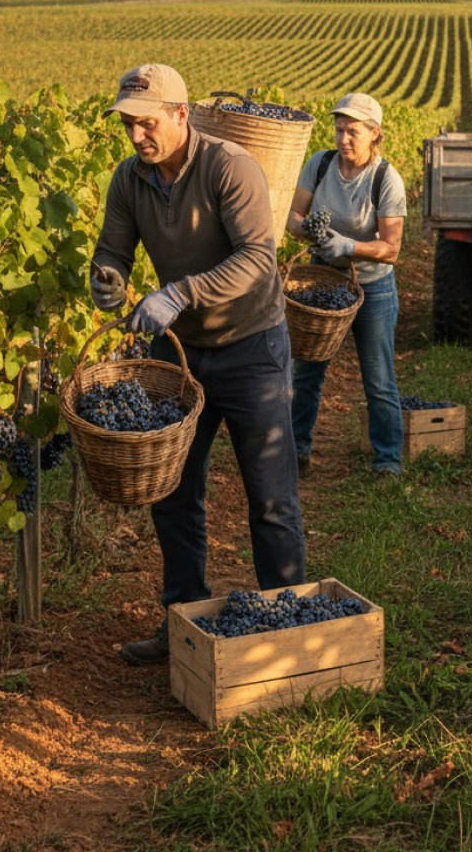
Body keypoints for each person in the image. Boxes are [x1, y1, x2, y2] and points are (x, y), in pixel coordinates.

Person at [90, 63, 305, 666]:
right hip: (178, 357)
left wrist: (179, 293)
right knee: (173, 492)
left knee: (270, 496)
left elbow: (259, 259)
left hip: (251, 347)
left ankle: (288, 631)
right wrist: (108, 282)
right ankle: (181, 620)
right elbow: (112, 252)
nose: (136, 136)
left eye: (147, 122)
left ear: (181, 115)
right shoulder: (128, 180)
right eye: (128, 125)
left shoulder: (227, 167)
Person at [286, 92, 407, 479]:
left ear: (375, 134)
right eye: (339, 130)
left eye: (352, 131)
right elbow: (292, 217)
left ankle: (388, 459)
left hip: (372, 289)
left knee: (378, 378)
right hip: (323, 279)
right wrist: (310, 232)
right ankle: (296, 451)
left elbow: (391, 249)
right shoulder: (320, 165)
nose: (343, 139)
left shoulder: (386, 179)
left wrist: (350, 246)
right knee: (306, 371)